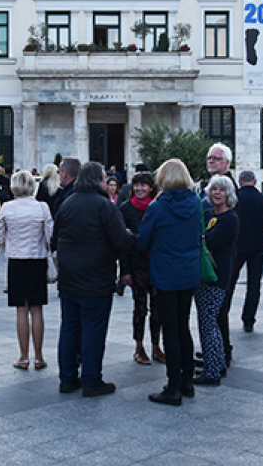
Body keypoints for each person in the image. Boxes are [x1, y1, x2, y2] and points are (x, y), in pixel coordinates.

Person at [55, 161, 131, 398]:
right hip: (96, 279)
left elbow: (54, 238)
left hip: (69, 279)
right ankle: (91, 380)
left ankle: (67, 378)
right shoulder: (103, 206)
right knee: (93, 331)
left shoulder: (67, 203)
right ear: (98, 180)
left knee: (69, 328)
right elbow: (121, 241)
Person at [138, 159, 202, 406]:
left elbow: (143, 240)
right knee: (184, 326)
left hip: (165, 274)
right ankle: (187, 381)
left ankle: (173, 386)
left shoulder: (157, 207)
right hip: (188, 274)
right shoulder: (195, 204)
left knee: (170, 329)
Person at [0, 170, 54, 370]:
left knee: (21, 309)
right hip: (37, 260)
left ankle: (23, 356)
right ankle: (39, 356)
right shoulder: (42, 207)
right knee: (37, 308)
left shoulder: (7, 208)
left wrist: (10, 242)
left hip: (17, 262)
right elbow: (49, 236)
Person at [193, 175, 239, 386]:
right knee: (211, 321)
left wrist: (202, 239)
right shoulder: (211, 214)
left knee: (208, 322)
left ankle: (212, 371)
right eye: (213, 189)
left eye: (221, 190)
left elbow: (209, 241)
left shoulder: (230, 219)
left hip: (216, 276)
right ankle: (216, 362)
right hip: (207, 274)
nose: (217, 193)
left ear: (228, 194)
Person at [227, 170, 263, 335]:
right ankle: (249, 319)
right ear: (255, 181)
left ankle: (223, 313)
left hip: (237, 247)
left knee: (229, 282)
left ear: (240, 182)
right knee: (254, 283)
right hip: (258, 247)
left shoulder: (235, 199)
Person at [119, 172, 162, 366]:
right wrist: (125, 271)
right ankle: (139, 346)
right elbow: (122, 243)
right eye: (137, 185)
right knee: (140, 307)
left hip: (156, 264)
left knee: (158, 308)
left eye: (144, 185)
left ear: (151, 188)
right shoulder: (126, 209)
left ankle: (155, 345)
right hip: (136, 265)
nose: (140, 189)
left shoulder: (157, 207)